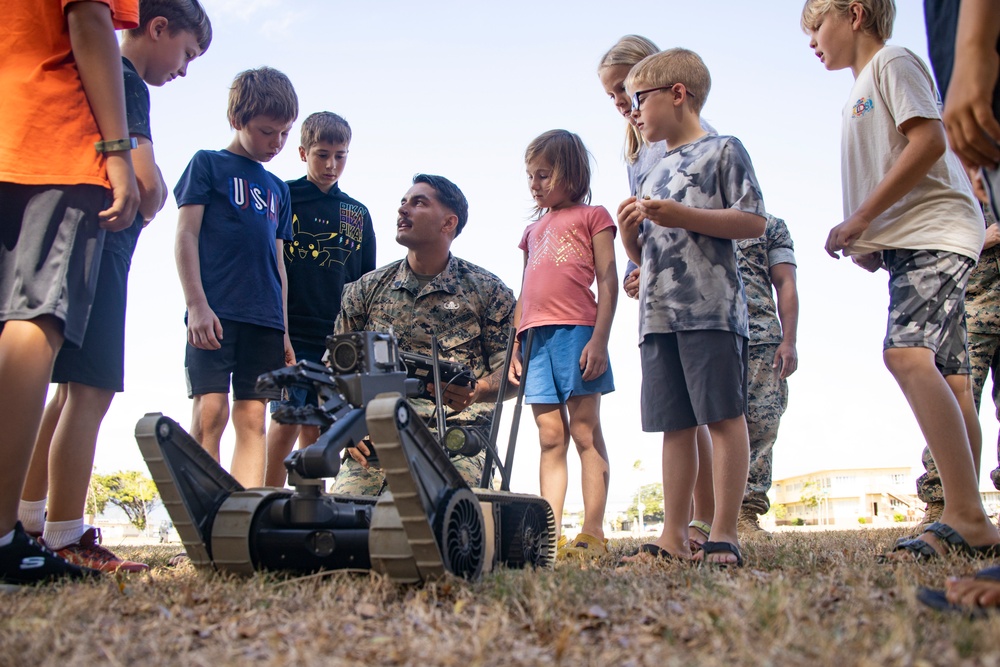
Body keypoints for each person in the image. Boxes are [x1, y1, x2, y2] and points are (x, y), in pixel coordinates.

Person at [16, 0, 211, 574]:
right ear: (157, 28)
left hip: (71, 233)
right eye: (187, 53)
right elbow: (149, 185)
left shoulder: (87, 72)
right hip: (103, 243)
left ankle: (29, 520)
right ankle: (68, 532)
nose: (183, 70)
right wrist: (147, 200)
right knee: (93, 388)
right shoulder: (127, 81)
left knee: (63, 386)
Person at [801, 0, 1000, 558]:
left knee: (906, 355)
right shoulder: (858, 89)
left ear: (856, 14)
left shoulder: (892, 62)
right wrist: (872, 239)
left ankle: (965, 514)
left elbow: (929, 140)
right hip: (914, 239)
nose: (811, 41)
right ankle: (966, 515)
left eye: (817, 25)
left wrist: (862, 218)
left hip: (936, 232)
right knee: (954, 379)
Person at [0, 0, 140, 588]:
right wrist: (117, 151)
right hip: (49, 142)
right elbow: (88, 19)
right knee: (34, 322)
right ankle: (6, 537)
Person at [617, 48, 767, 565]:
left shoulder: (723, 149)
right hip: (657, 317)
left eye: (641, 98)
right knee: (674, 425)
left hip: (711, 311)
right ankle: (673, 537)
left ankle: (724, 531)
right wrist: (628, 236)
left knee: (723, 417)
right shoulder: (649, 171)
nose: (634, 111)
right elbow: (648, 252)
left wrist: (681, 213)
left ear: (677, 94)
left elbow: (752, 222)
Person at [597, 35, 716, 551]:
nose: (623, 103)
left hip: (701, 284)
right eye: (613, 96)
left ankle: (705, 519)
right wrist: (633, 262)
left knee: (704, 408)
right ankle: (679, 524)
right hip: (658, 287)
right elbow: (645, 218)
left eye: (627, 90)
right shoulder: (636, 150)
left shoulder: (699, 142)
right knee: (677, 412)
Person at [330, 174, 515, 495]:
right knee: (342, 522)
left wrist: (480, 389)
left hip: (457, 442)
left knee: (452, 523)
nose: (403, 210)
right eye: (403, 202)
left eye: (418, 203)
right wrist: (346, 426)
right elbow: (336, 369)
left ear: (448, 223)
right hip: (377, 441)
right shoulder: (365, 289)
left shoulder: (488, 291)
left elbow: (513, 374)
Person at [174, 66, 298, 487]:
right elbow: (186, 235)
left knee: (253, 418)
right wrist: (196, 305)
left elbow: (279, 262)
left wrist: (283, 329)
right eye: (267, 132)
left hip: (265, 319)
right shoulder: (207, 165)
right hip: (215, 312)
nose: (276, 143)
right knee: (211, 413)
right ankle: (203, 518)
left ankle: (243, 523)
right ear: (237, 120)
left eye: (284, 133)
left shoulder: (279, 189)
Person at [507, 130, 617, 559]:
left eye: (544, 174)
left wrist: (600, 339)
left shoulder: (594, 216)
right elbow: (524, 292)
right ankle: (547, 534)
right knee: (550, 436)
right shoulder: (531, 231)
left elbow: (607, 280)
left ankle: (593, 531)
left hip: (578, 332)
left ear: (571, 174)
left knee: (586, 431)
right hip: (535, 338)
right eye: (531, 176)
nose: (535, 184)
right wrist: (515, 346)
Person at [914, 0, 1000, 528]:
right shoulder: (962, 178)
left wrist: (972, 54)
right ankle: (945, 500)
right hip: (970, 297)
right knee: (957, 379)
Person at [263, 112, 376, 487]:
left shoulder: (356, 214)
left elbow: (365, 285)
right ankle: (265, 498)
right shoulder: (282, 195)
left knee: (322, 428)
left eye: (340, 155)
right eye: (321, 154)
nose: (331, 165)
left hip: (338, 338)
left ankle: (308, 505)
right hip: (289, 333)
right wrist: (279, 332)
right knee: (286, 418)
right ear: (302, 153)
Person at [734, 216, 799, 535]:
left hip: (761, 338)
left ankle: (745, 511)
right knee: (705, 426)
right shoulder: (691, 219)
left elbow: (785, 282)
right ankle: (705, 512)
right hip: (711, 335)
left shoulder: (769, 226)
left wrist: (789, 341)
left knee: (761, 426)